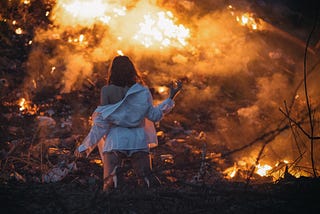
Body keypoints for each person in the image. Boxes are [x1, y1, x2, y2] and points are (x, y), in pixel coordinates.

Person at [75, 55, 182, 191]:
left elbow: (102, 124)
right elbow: (154, 116)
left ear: (112, 71)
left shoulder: (107, 91)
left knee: (109, 186)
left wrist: (84, 147)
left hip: (115, 141)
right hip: (138, 141)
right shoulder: (142, 91)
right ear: (132, 71)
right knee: (146, 183)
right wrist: (171, 97)